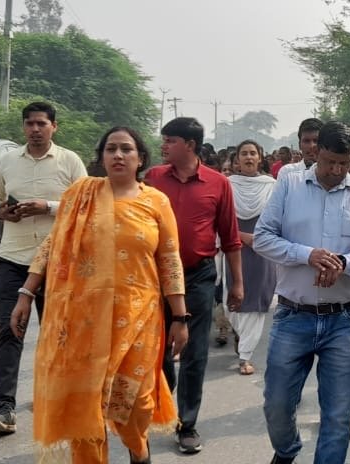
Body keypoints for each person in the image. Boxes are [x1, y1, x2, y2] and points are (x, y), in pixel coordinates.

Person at [8, 126, 190, 464]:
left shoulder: (155, 201)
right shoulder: (81, 195)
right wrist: (26, 293)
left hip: (138, 319)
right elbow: (52, 245)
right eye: (111, 149)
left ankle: (139, 450)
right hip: (84, 321)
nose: (118, 155)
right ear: (102, 157)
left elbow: (169, 259)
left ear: (140, 158)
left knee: (136, 402)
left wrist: (180, 317)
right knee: (87, 404)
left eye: (126, 149)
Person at [255, 121, 350, 464]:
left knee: (338, 415)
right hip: (293, 316)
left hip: (343, 319)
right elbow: (263, 238)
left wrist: (345, 262)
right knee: (276, 404)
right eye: (330, 162)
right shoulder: (288, 186)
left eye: (344, 164)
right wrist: (307, 255)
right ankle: (287, 450)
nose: (337, 170)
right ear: (316, 153)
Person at [0, 101, 88, 434]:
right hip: (14, 258)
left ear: (54, 126)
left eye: (42, 123)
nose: (35, 129)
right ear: (24, 127)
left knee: (56, 334)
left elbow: (86, 205)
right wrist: (1, 212)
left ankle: (56, 396)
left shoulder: (70, 161)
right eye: (30, 123)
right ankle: (5, 408)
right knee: (9, 329)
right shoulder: (8, 160)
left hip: (59, 262)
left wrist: (48, 207)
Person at [146, 117, 244, 454]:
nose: (163, 146)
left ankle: (187, 424)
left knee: (195, 351)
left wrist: (237, 284)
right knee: (158, 348)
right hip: (156, 276)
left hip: (199, 275)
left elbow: (230, 238)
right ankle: (165, 400)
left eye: (169, 140)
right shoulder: (153, 178)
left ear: (190, 145)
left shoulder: (218, 183)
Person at [227, 139, 278, 376]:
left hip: (262, 251)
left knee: (257, 302)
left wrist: (262, 239)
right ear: (237, 159)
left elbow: (279, 218)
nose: (248, 157)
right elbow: (218, 219)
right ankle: (239, 335)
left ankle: (245, 356)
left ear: (260, 157)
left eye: (252, 153)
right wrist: (241, 236)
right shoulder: (227, 185)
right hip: (232, 248)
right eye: (244, 153)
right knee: (233, 301)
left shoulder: (272, 186)